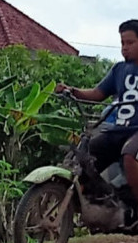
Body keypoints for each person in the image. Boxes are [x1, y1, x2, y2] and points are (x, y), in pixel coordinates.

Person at [56, 19, 138, 220]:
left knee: (129, 155)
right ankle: (102, 205)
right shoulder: (119, 69)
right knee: (83, 157)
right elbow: (97, 93)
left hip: (136, 131)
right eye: (122, 43)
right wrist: (72, 90)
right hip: (117, 130)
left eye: (130, 43)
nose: (124, 48)